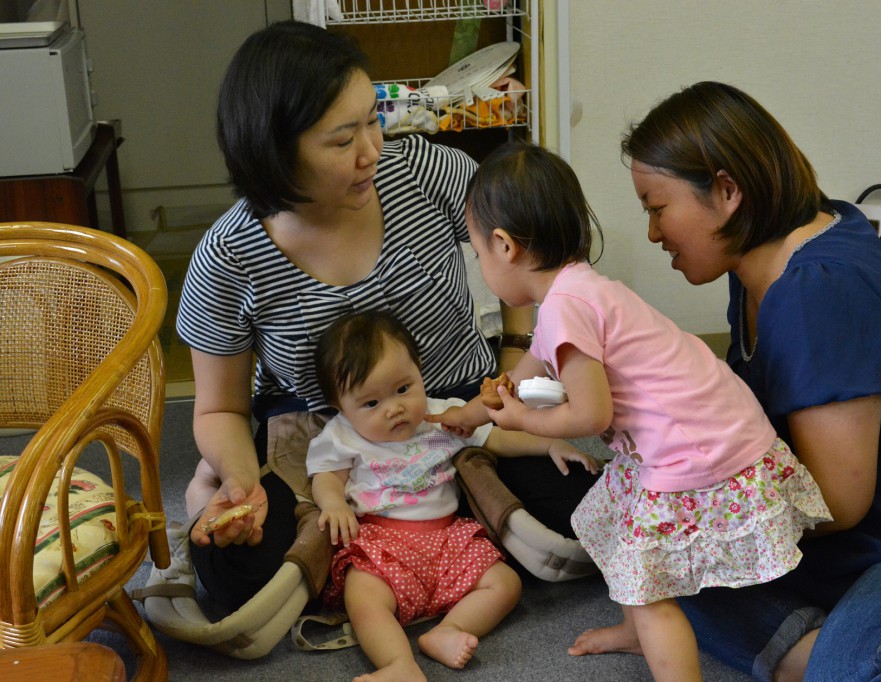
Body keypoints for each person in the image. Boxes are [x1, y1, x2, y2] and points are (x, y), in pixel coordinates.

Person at [601, 80, 881, 681]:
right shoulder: (760, 264)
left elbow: (840, 501)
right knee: (647, 551)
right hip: (873, 536)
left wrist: (695, 502)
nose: (652, 233)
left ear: (726, 192)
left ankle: (830, 660)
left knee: (837, 658)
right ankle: (823, 655)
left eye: (657, 208)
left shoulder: (818, 289)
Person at [175, 20, 594, 612]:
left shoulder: (421, 172)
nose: (371, 151)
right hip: (324, 430)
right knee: (233, 573)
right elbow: (220, 407)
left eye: (373, 120)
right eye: (343, 140)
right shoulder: (229, 255)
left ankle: (410, 536)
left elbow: (515, 243)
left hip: (455, 402)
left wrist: (513, 358)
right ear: (274, 151)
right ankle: (214, 485)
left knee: (589, 507)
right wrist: (241, 478)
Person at [427, 141, 832, 681]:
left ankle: (663, 656)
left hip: (695, 449)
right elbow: (526, 374)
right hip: (701, 427)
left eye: (477, 254)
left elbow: (591, 417)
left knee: (647, 585)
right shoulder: (574, 291)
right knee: (609, 519)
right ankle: (633, 633)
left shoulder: (568, 308)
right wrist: (474, 414)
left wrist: (523, 422)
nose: (481, 264)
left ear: (503, 246)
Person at [306, 309, 597, 680]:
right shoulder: (342, 434)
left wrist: (548, 445)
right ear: (340, 406)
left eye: (403, 388)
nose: (394, 408)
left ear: (419, 371)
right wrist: (332, 502)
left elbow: (496, 436)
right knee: (363, 599)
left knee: (505, 583)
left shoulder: (442, 417)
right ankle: (398, 665)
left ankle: (450, 630)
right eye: (371, 403)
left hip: (448, 537)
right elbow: (325, 474)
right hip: (382, 543)